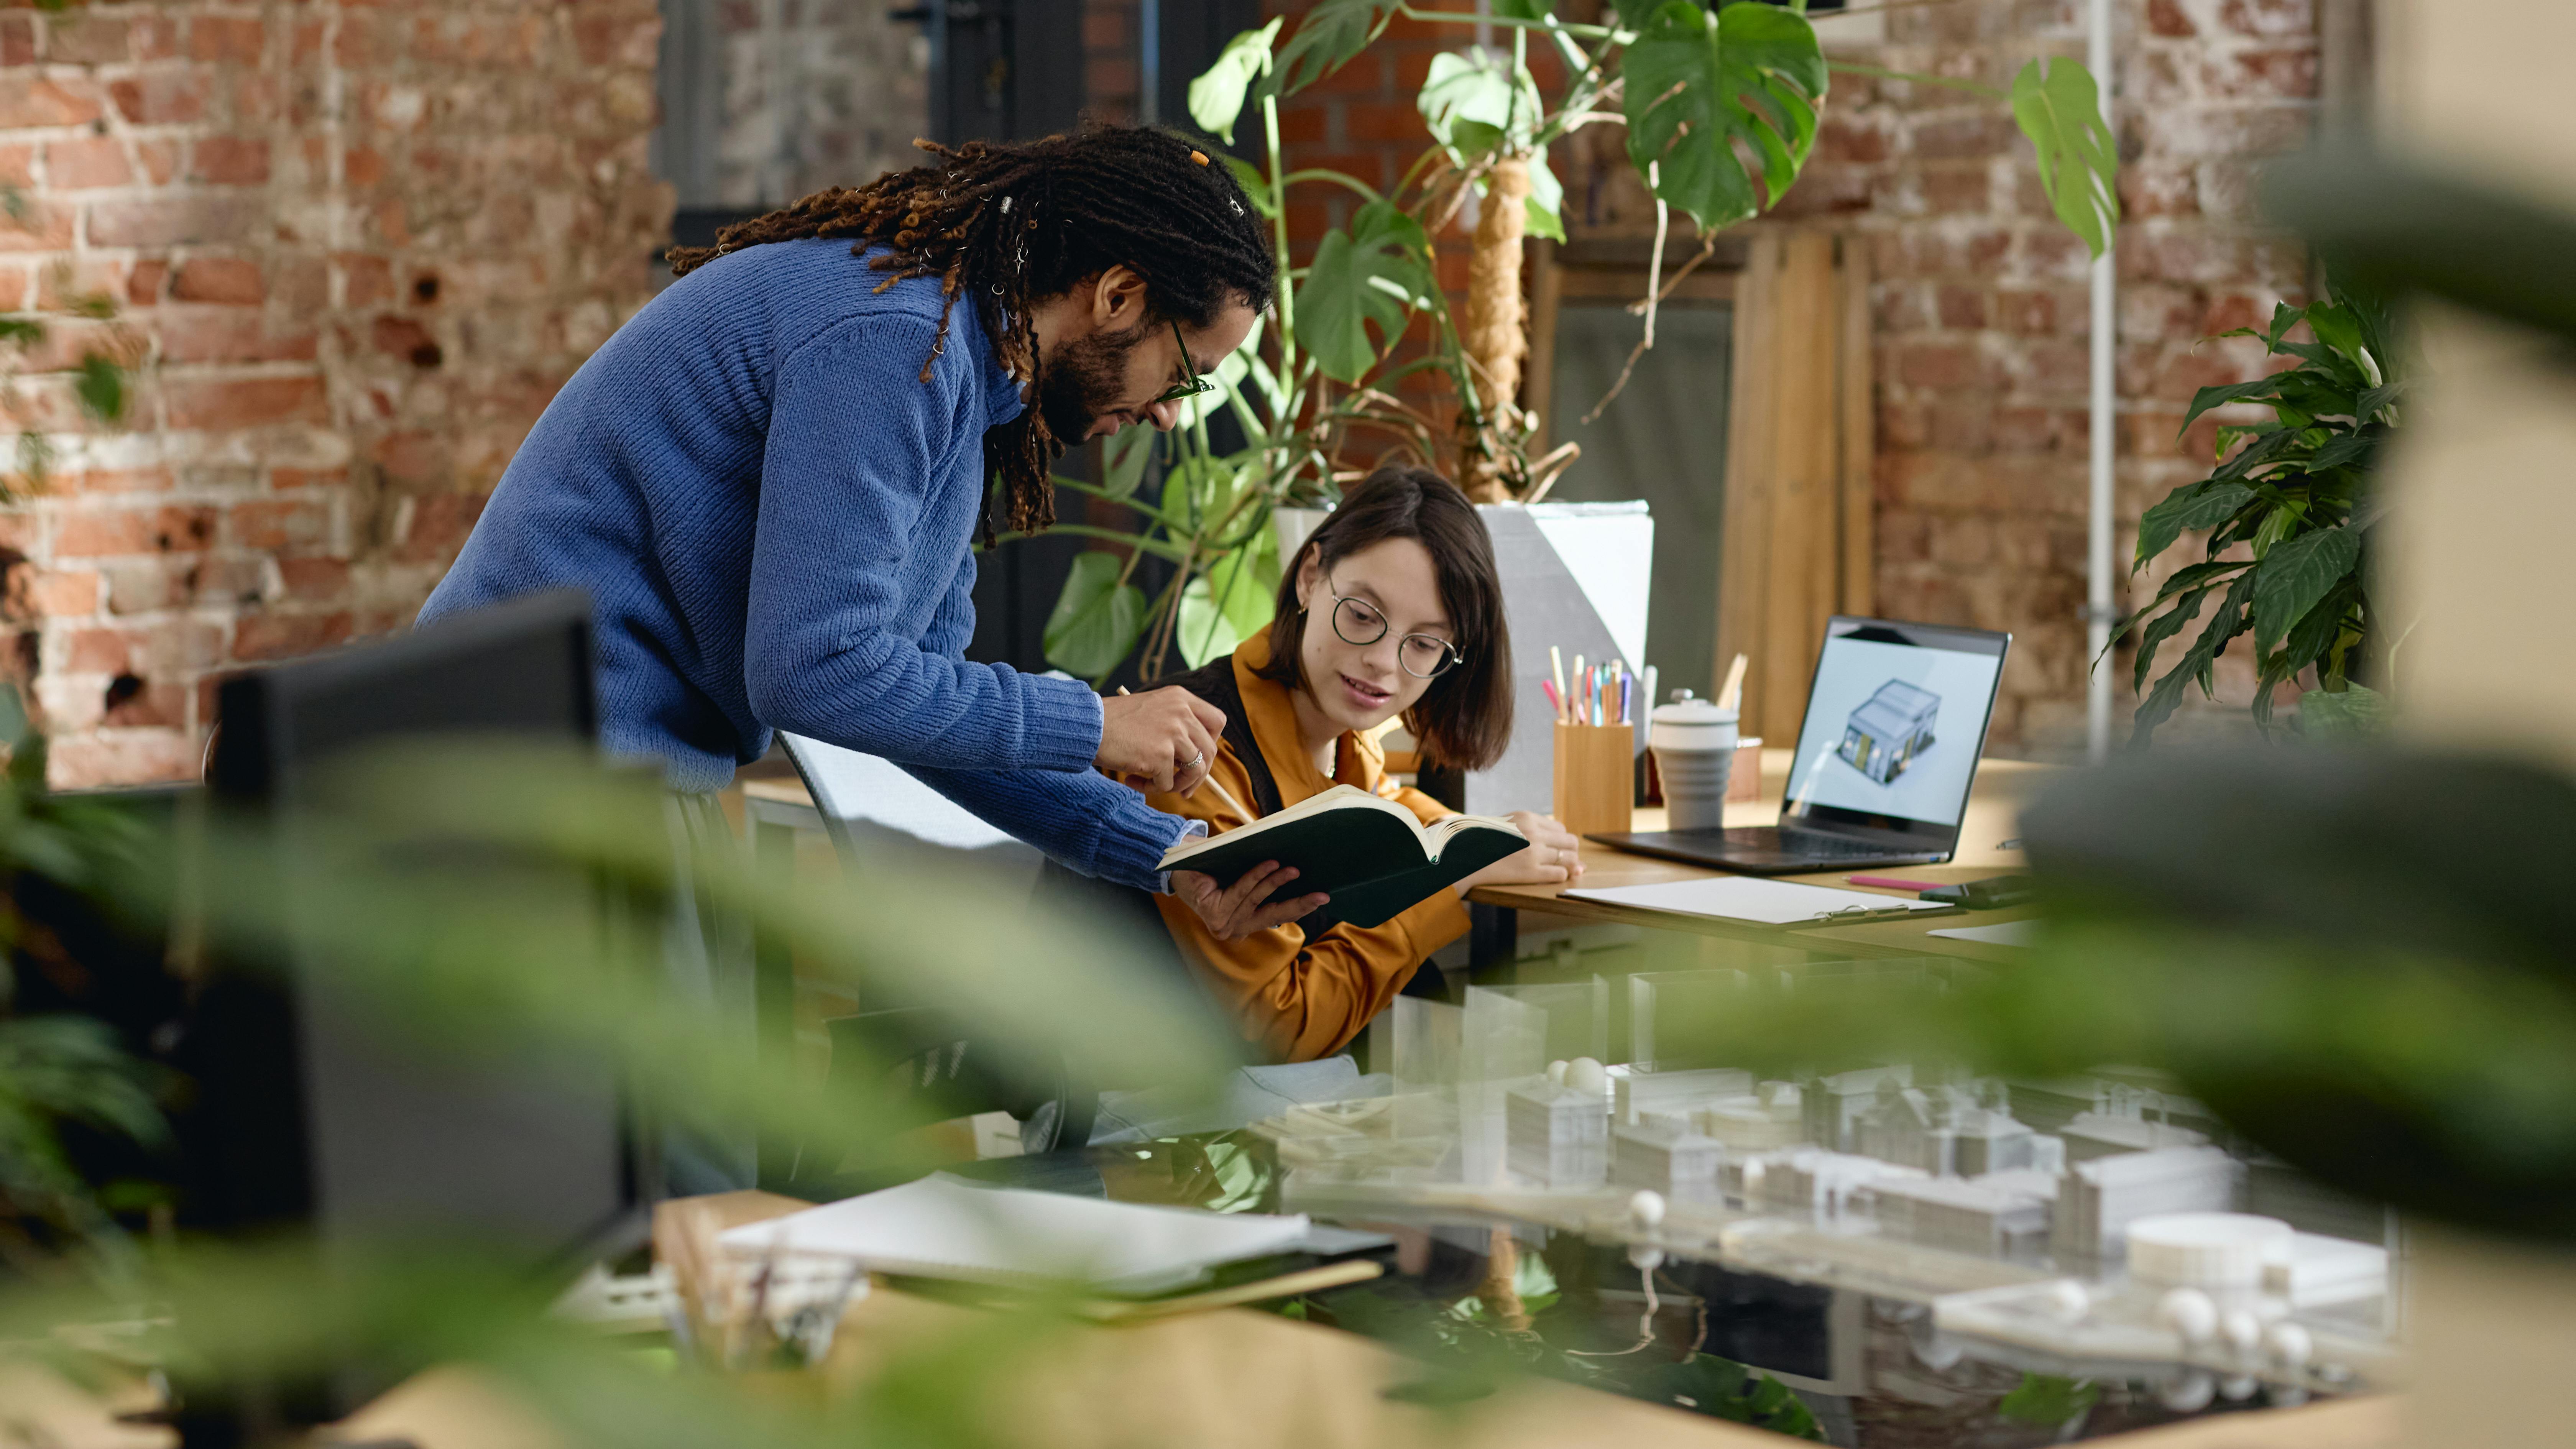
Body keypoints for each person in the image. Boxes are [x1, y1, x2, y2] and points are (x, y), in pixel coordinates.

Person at [415, 127, 1317, 940]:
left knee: (689, 1126)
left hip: (595, 782)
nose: (1167, 415)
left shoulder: (958, 366)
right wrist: (1094, 723)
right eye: (1186, 373)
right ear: (1120, 295)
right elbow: (815, 667)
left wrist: (1171, 854)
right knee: (655, 1129)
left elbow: (927, 707)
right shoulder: (892, 342)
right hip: (530, 793)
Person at [1144, 467, 1585, 1062]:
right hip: (1156, 1126)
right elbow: (1279, 1025)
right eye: (1361, 615)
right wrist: (1455, 878)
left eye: (1425, 644)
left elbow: (1391, 811)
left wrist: (1481, 842)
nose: (1382, 663)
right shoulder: (1194, 753)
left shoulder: (1349, 744)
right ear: (1309, 578)